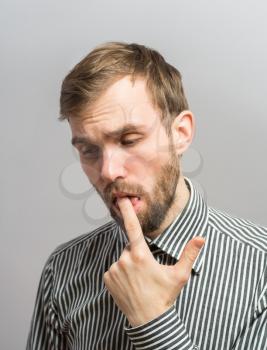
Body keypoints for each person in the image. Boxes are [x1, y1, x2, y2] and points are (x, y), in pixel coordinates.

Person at [26, 42, 267, 350]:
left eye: (129, 139)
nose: (109, 171)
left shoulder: (261, 272)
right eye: (89, 150)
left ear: (180, 134)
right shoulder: (62, 270)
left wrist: (152, 320)